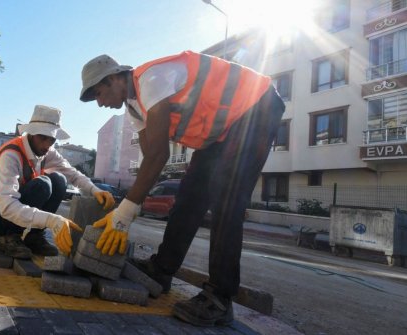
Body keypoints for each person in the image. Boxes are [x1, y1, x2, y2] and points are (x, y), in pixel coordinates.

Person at [79, 51, 285, 326]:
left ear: (114, 78)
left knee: (227, 199)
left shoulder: (151, 79)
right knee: (189, 198)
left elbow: (159, 155)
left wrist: (124, 213)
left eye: (99, 93)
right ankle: (162, 270)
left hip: (256, 107)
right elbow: (150, 156)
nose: (100, 103)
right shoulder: (134, 109)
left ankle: (220, 298)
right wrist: (133, 204)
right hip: (221, 131)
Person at [0, 105, 116, 259]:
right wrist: (52, 221)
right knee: (42, 184)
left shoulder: (46, 152)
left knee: (59, 180)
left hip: (6, 211)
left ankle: (34, 238)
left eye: (52, 140)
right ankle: (8, 237)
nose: (47, 145)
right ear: (31, 133)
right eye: (43, 138)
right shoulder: (11, 155)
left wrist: (95, 190)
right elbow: (7, 208)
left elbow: (72, 174)